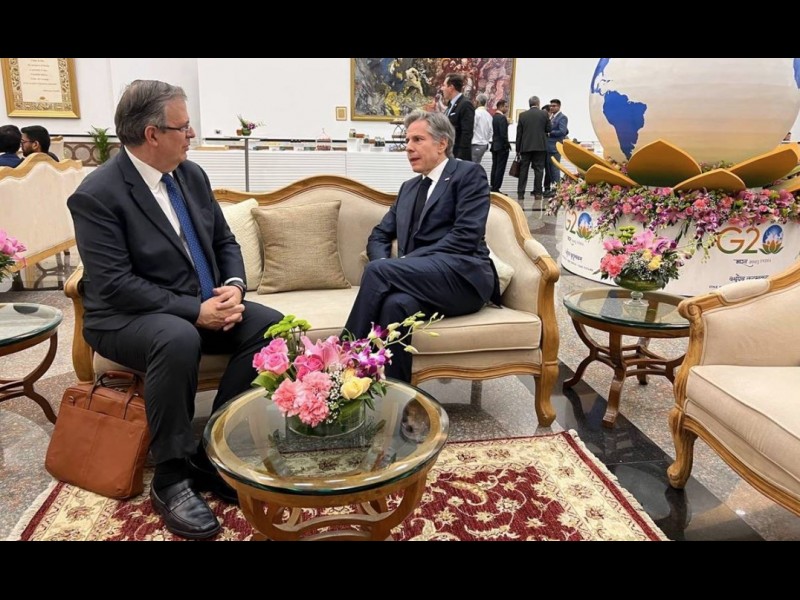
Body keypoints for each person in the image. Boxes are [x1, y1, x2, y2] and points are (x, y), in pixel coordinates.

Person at [67, 80, 283, 540]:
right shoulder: (97, 194)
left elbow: (224, 241)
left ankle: (211, 450)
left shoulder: (191, 175)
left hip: (194, 305)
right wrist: (195, 311)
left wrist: (234, 288)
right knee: (177, 336)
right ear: (152, 134)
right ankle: (170, 477)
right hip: (124, 318)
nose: (192, 135)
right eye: (183, 127)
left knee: (272, 327)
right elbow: (115, 284)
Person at [344, 110, 500, 383]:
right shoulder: (408, 188)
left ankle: (344, 360)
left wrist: (399, 265)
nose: (408, 147)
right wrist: (385, 262)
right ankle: (395, 393)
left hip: (463, 279)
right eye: (407, 140)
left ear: (442, 144)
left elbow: (466, 236)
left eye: (417, 139)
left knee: (378, 272)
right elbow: (379, 235)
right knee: (395, 305)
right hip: (420, 281)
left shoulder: (468, 174)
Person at [515, 96, 551, 204]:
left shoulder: (522, 115)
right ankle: (538, 193)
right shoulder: (544, 114)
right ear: (538, 103)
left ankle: (520, 193)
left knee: (523, 170)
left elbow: (519, 134)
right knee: (539, 170)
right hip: (540, 147)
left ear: (529, 104)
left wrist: (518, 149)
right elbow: (549, 129)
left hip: (525, 147)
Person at [441, 72, 475, 161]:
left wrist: (460, 157)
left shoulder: (465, 104)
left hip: (458, 156)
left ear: (451, 87)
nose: (442, 88)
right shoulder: (450, 105)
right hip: (448, 154)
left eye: (444, 85)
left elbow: (467, 133)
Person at [545, 99, 569, 197]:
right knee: (549, 170)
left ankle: (558, 190)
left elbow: (562, 131)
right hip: (548, 147)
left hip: (555, 147)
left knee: (555, 169)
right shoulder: (551, 117)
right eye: (551, 106)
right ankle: (552, 189)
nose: (551, 108)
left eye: (554, 106)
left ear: (559, 107)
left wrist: (550, 133)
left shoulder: (562, 117)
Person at [490, 100, 511, 192]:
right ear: (501, 107)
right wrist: (507, 145)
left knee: (494, 166)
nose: (507, 109)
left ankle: (493, 185)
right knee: (500, 168)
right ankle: (496, 187)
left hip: (494, 145)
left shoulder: (494, 117)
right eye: (506, 107)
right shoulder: (502, 118)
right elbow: (503, 134)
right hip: (502, 146)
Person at [471, 93, 493, 164]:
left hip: (475, 143)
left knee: (472, 165)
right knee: (477, 164)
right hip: (484, 144)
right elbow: (491, 131)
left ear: (477, 102)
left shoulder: (476, 113)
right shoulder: (489, 115)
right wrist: (485, 139)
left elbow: (472, 128)